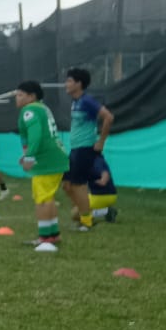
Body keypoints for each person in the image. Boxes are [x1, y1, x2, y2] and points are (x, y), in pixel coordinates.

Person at [15, 80, 70, 252]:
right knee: (48, 197)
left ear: (31, 96)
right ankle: (53, 235)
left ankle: (45, 238)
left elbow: (36, 134)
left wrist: (30, 156)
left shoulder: (29, 110)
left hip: (46, 161)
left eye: (20, 95)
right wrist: (26, 154)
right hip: (56, 158)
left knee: (42, 199)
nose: (17, 98)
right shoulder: (43, 108)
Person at [62, 67, 114, 231]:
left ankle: (86, 221)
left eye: (69, 81)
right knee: (67, 185)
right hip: (75, 149)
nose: (66, 84)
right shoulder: (75, 102)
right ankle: (91, 212)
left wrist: (101, 142)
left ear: (79, 84)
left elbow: (108, 117)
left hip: (85, 149)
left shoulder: (87, 101)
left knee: (78, 185)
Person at [80, 152, 119, 224]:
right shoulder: (97, 160)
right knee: (79, 200)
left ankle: (106, 211)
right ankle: (106, 212)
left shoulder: (96, 161)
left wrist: (100, 181)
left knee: (78, 211)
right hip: (108, 195)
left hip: (102, 196)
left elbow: (105, 175)